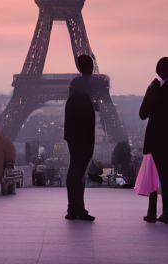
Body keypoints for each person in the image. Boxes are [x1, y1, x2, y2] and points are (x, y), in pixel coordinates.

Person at [139, 57, 168, 224]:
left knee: (159, 175)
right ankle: (165, 211)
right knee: (166, 176)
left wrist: (152, 89)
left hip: (159, 138)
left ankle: (158, 212)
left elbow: (144, 112)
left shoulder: (164, 87)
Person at [64, 54, 97, 221]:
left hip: (74, 132)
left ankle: (75, 208)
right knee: (79, 170)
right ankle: (77, 208)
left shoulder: (76, 85)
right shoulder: (86, 84)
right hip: (83, 132)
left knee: (76, 168)